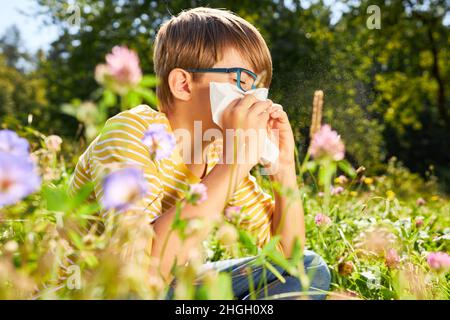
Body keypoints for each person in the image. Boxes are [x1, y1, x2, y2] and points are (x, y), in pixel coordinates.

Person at [69, 7, 330, 300]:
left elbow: (287, 256)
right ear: (183, 84)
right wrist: (233, 165)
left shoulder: (218, 154)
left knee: (310, 268)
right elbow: (137, 275)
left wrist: (283, 169)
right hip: (101, 291)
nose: (255, 99)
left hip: (168, 288)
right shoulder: (133, 131)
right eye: (241, 81)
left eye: (260, 86)